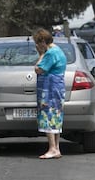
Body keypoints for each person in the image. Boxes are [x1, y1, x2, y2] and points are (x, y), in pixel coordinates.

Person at [33, 28, 67, 159]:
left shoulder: (50, 53)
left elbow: (38, 69)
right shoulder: (58, 50)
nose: (37, 45)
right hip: (57, 88)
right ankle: (56, 148)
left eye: (38, 42)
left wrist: (41, 54)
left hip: (50, 89)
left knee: (48, 116)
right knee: (56, 116)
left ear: (42, 42)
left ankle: (52, 148)